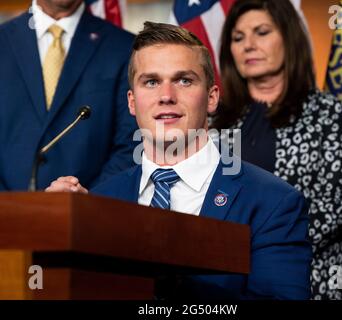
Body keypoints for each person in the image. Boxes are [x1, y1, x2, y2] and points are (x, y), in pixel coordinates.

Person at [46, 21, 312, 300]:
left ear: (211, 98)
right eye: (151, 82)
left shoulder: (273, 202)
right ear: (132, 103)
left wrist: (170, 285)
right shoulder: (100, 203)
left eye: (184, 80)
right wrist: (59, 232)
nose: (166, 96)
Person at [211, 0, 342, 300]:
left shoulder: (326, 114)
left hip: (306, 279)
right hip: (221, 280)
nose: (248, 45)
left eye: (261, 32)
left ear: (288, 38)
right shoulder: (216, 121)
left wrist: (256, 250)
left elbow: (334, 207)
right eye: (238, 38)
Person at [0, 0, 138, 191]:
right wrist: (13, 208)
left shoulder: (124, 48)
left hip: (90, 214)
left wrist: (86, 201)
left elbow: (130, 145)